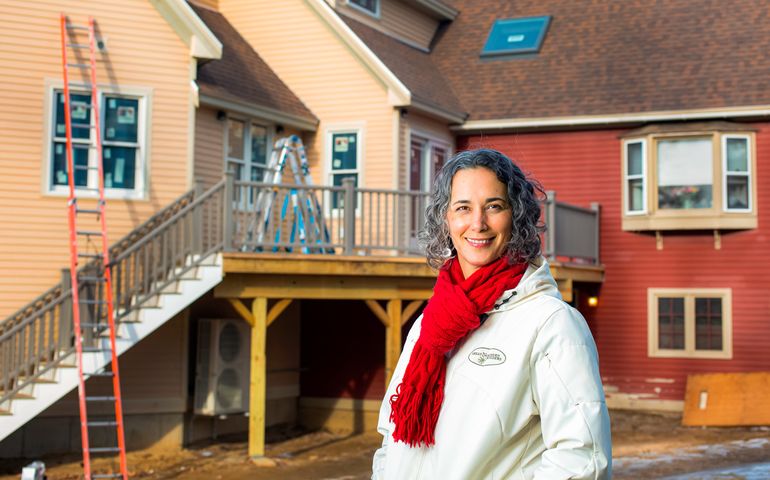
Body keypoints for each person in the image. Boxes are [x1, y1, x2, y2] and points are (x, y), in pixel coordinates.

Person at [371, 149, 611, 479]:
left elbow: (582, 460)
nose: (478, 223)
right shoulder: (429, 323)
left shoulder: (551, 324)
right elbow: (391, 438)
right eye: (463, 208)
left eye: (494, 206)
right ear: (447, 219)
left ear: (517, 216)